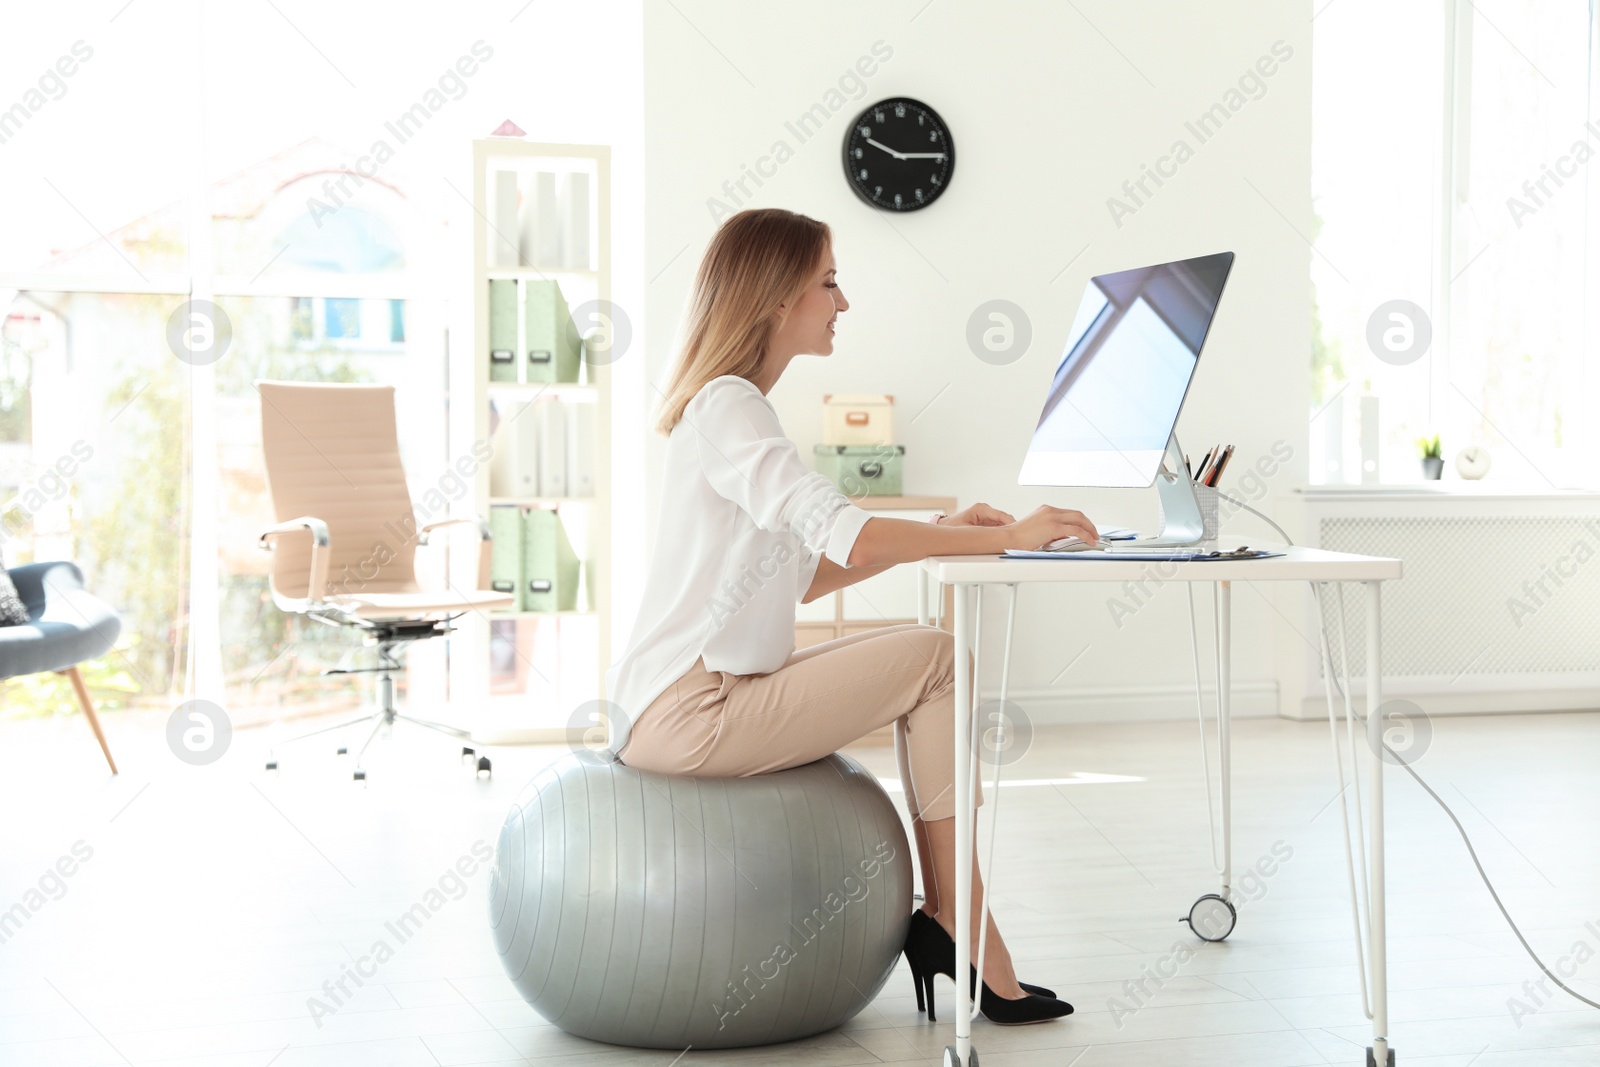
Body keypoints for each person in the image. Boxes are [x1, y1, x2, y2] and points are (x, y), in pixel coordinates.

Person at [607, 207, 1097, 1024]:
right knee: (937, 656)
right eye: (829, 282)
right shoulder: (730, 406)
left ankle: (955, 922)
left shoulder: (730, 408)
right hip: (691, 710)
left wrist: (942, 535)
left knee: (929, 653)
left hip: (686, 700)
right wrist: (1011, 537)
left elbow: (799, 576)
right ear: (774, 297)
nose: (843, 302)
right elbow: (853, 533)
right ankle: (959, 924)